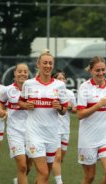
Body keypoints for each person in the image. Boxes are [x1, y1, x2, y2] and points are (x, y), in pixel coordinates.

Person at [18, 50, 68, 184]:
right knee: (43, 172)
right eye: (44, 63)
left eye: (50, 63)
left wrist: (59, 108)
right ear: (38, 65)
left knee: (45, 175)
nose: (48, 66)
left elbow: (64, 110)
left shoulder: (60, 85)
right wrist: (25, 105)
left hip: (52, 134)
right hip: (34, 133)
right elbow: (21, 101)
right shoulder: (29, 84)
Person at [77, 56, 106, 184]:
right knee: (89, 177)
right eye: (97, 70)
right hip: (88, 138)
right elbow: (80, 114)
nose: (101, 73)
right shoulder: (84, 88)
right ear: (91, 71)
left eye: (103, 70)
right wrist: (98, 105)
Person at [0, 63, 32, 184]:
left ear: (28, 74)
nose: (22, 74)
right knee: (22, 166)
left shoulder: (33, 89)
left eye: (25, 72)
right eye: (20, 71)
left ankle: (18, 180)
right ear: (15, 73)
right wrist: (1, 110)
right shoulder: (8, 90)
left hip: (32, 132)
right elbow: (0, 101)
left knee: (28, 166)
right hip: (14, 132)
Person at [52, 70, 77, 184]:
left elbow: (76, 110)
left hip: (65, 130)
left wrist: (70, 107)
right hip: (54, 129)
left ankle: (45, 176)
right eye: (59, 78)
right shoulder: (51, 92)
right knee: (56, 157)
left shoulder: (70, 94)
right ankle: (59, 181)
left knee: (60, 159)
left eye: (63, 78)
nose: (61, 81)